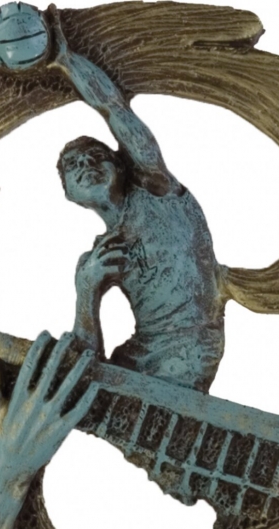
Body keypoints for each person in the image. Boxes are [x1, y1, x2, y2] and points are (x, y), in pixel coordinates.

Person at [51, 15, 225, 394]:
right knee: (71, 388)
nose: (86, 165)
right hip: (140, 356)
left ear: (120, 164)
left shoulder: (156, 189)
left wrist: (67, 60)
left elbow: (113, 108)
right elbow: (86, 359)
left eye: (96, 156)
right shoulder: (98, 257)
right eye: (73, 166)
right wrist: (86, 290)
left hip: (190, 348)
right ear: (69, 194)